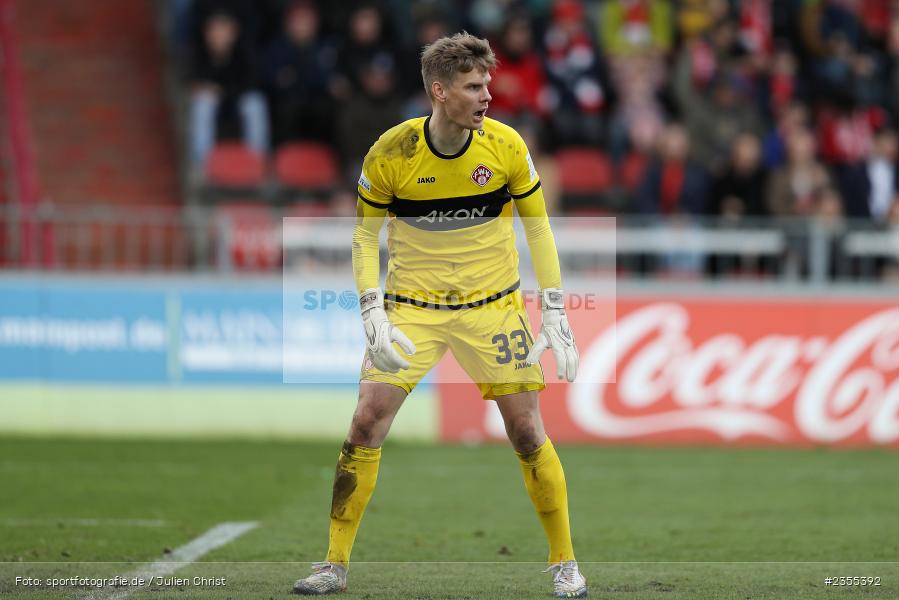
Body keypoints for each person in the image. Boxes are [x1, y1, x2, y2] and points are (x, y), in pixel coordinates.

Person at [292, 32, 586, 598]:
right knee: (365, 421)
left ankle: (564, 563)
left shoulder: (505, 147)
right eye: (474, 87)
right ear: (440, 90)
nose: (486, 97)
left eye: (487, 85)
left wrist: (554, 307)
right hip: (414, 310)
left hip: (493, 308)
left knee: (526, 430)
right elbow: (364, 235)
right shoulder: (391, 153)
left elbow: (539, 227)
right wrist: (372, 311)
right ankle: (333, 565)